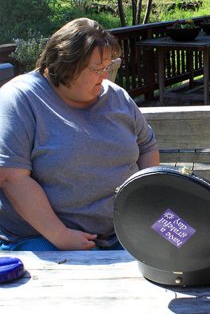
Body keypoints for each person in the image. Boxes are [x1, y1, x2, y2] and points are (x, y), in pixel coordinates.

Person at [0, 18, 160, 251]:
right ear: (66, 64)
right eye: (97, 69)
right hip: (44, 238)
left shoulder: (117, 96)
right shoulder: (21, 99)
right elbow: (11, 178)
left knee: (190, 246)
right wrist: (60, 235)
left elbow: (147, 147)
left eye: (109, 66)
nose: (105, 76)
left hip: (126, 230)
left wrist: (145, 205)